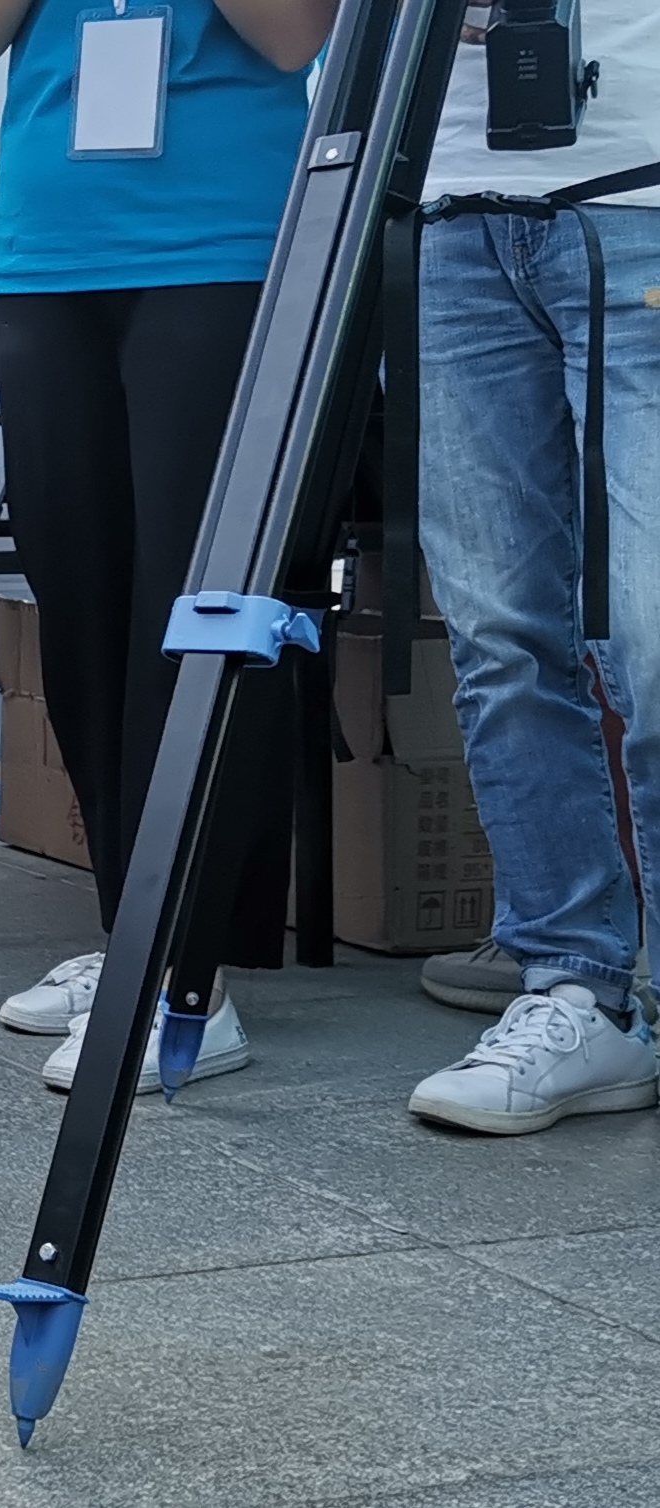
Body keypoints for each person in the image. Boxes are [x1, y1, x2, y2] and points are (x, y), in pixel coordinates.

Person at [0, 0, 339, 1089]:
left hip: (221, 241)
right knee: (81, 611)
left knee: (199, 610)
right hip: (48, 249)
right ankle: (133, 934)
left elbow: (295, 36)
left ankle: (186, 973)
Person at [400, 4, 660, 1136]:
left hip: (645, 184)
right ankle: (573, 986)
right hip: (454, 199)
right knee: (498, 630)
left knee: (654, 635)